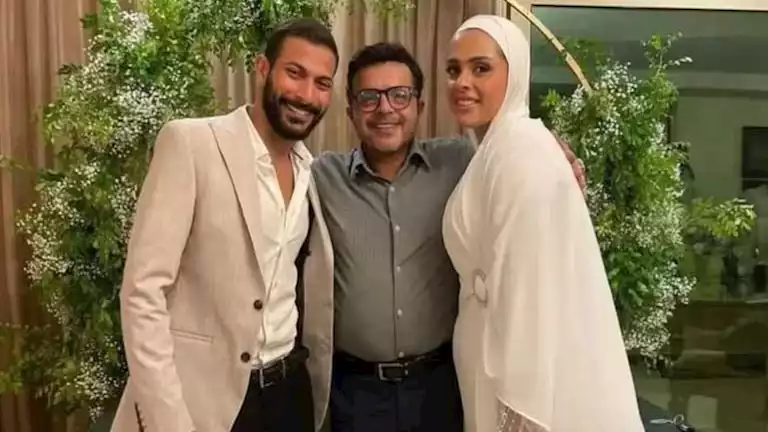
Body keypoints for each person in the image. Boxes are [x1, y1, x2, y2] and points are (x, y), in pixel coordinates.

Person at [311, 42, 585, 432]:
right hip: (355, 393)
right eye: (369, 97)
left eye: (399, 95)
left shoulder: (462, 162)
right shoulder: (322, 177)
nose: (385, 108)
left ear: (419, 106)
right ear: (351, 110)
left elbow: (514, 151)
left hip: (440, 386)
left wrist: (554, 155)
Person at [112, 18, 336, 432]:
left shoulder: (311, 170)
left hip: (289, 390)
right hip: (205, 398)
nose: (307, 95)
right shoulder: (191, 144)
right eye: (295, 73)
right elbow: (143, 292)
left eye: (322, 83)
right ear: (263, 68)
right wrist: (168, 420)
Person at [441, 15, 644, 432]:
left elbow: (528, 299)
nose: (462, 82)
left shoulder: (522, 149)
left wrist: (517, 415)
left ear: (515, 73)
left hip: (511, 364)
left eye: (481, 68)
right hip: (480, 356)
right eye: (453, 69)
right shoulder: (489, 150)